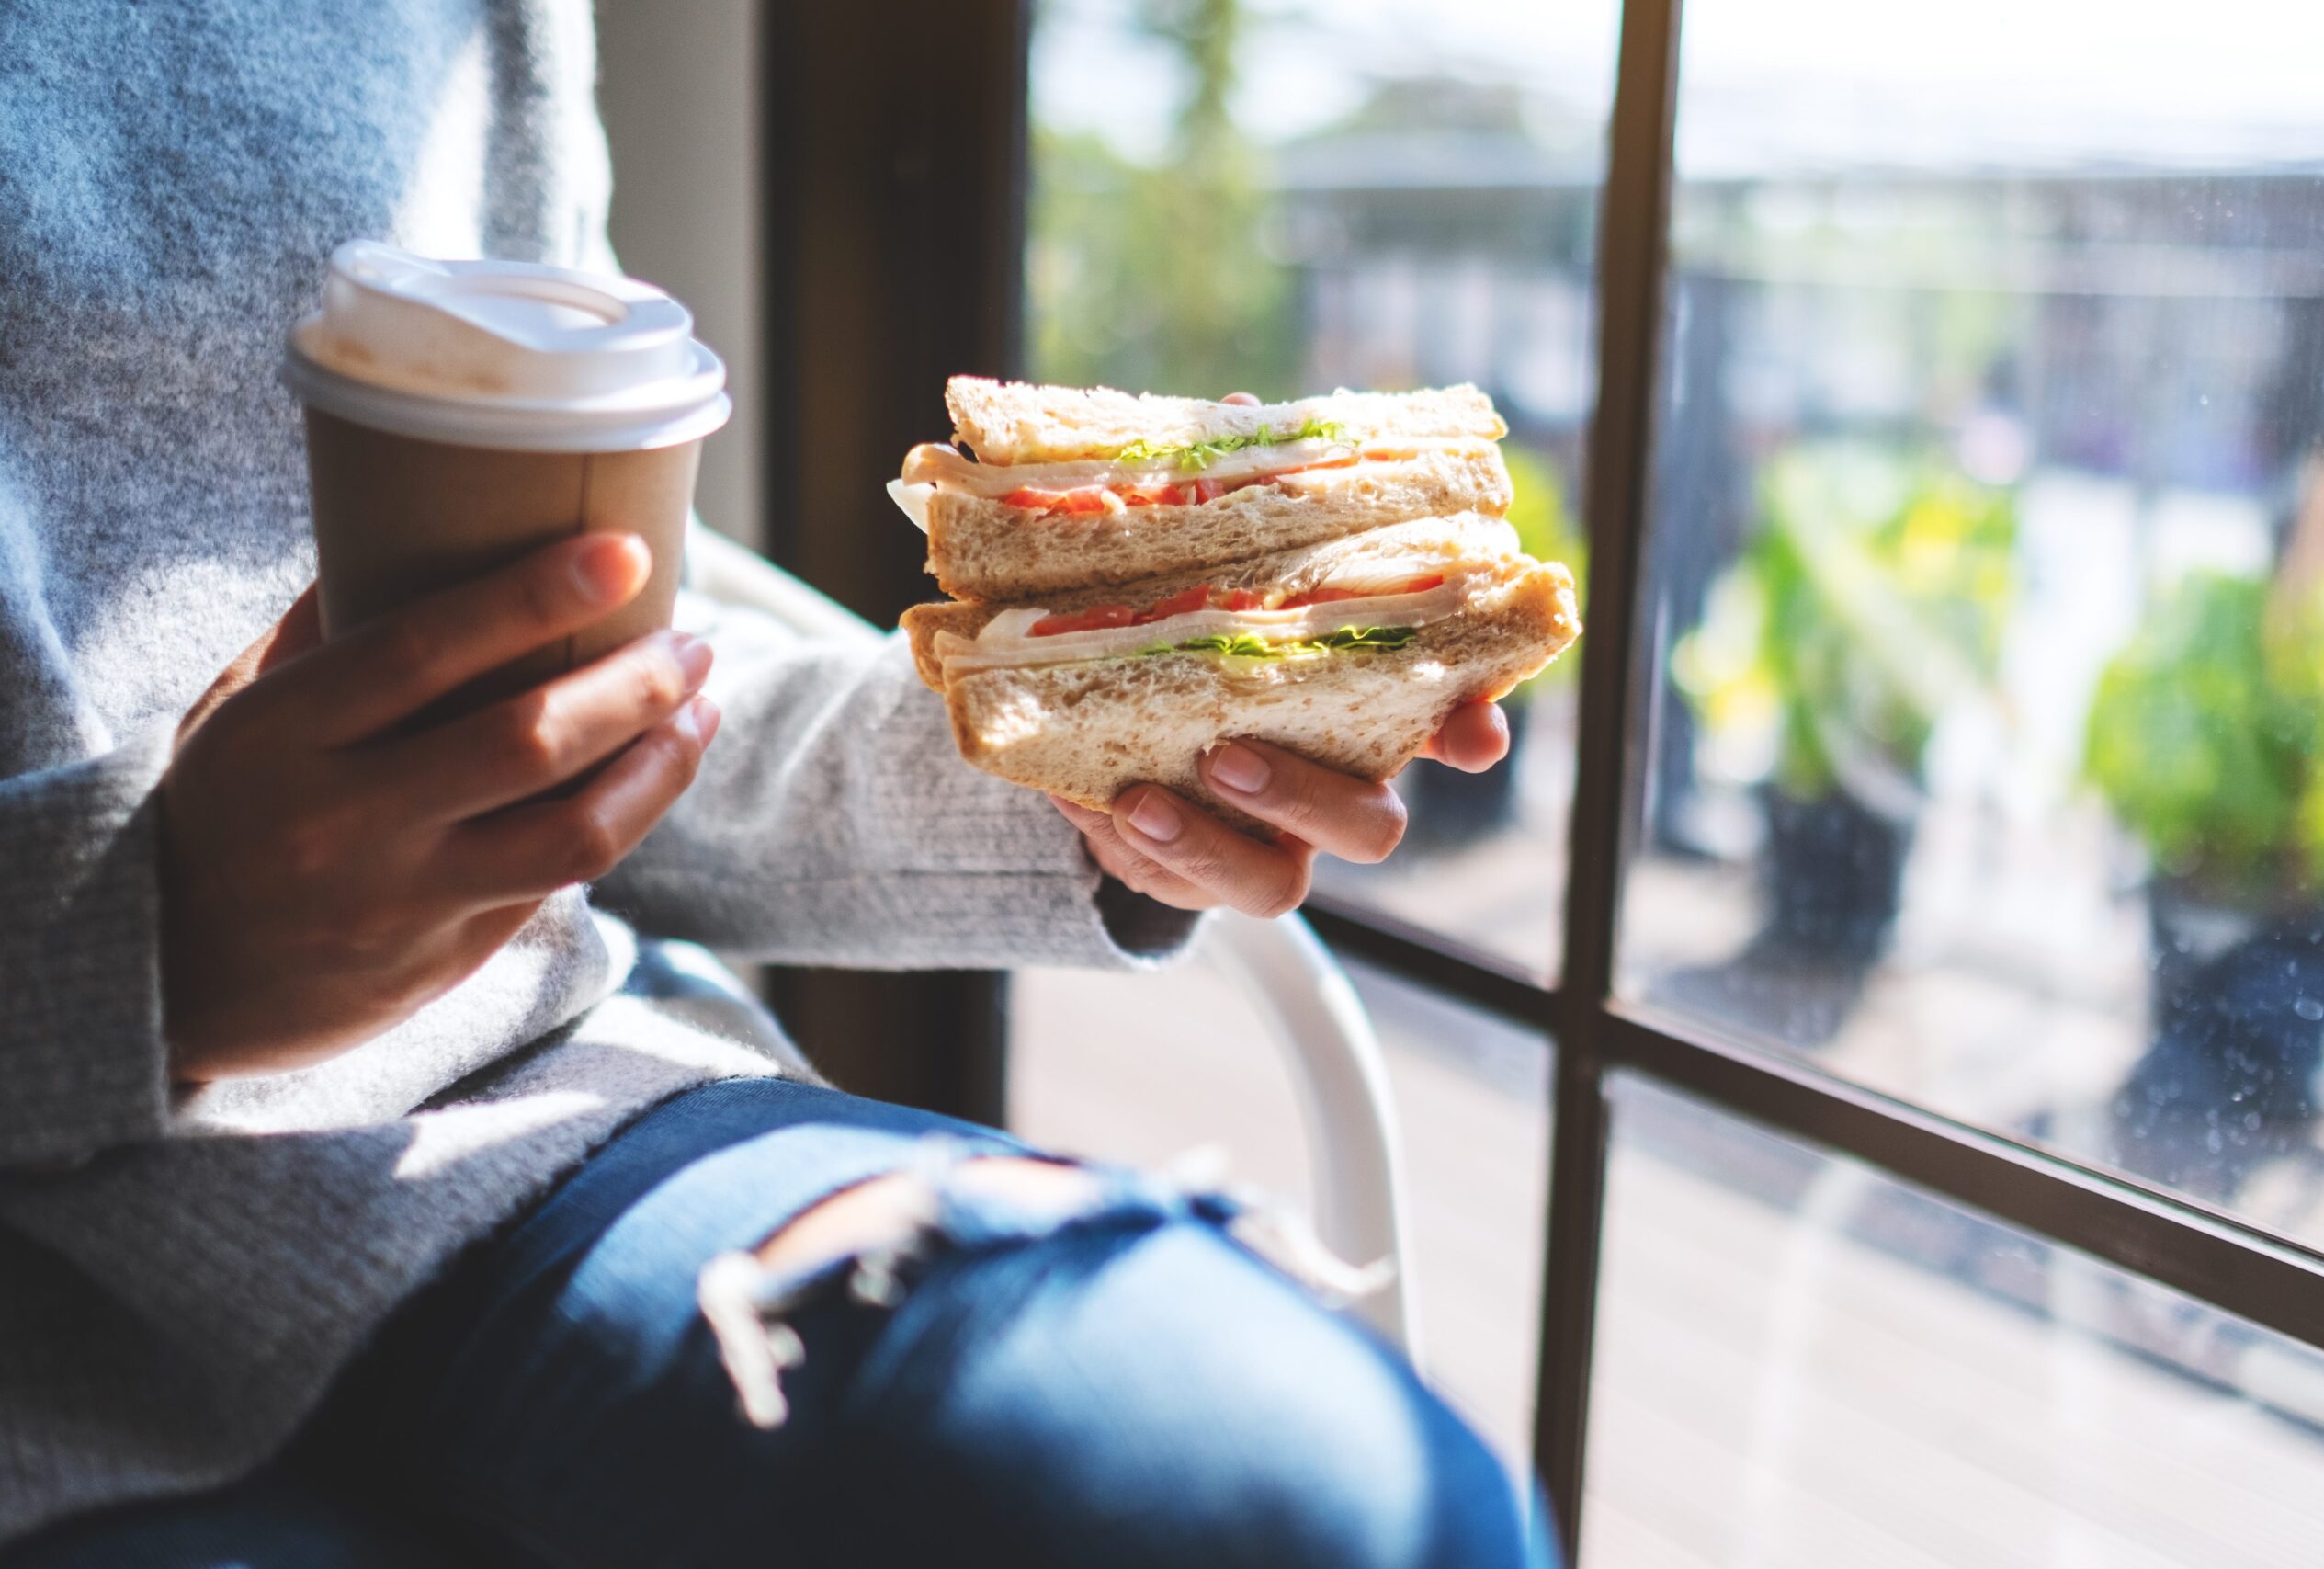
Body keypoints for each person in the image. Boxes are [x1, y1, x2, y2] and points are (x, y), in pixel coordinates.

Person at [0, 4, 1552, 1564]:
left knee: (1340, 1508)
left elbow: (603, 682)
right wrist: (132, 938)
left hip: (523, 1122)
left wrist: (1087, 745)